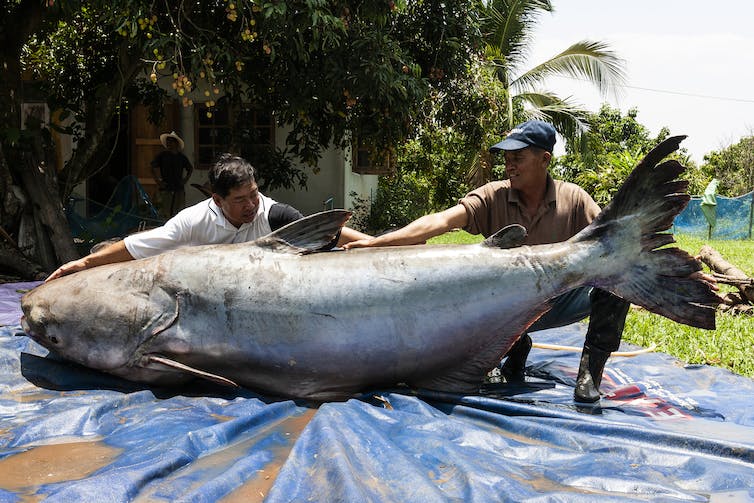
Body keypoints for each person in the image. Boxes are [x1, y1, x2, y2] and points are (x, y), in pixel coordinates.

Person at [344, 120, 632, 403]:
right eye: (507, 159)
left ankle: (590, 373)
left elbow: (610, 240)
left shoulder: (575, 199)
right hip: (502, 308)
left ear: (544, 159)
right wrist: (375, 243)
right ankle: (511, 346)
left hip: (559, 299)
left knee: (616, 278)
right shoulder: (494, 195)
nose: (509, 166)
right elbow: (441, 221)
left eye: (518, 158)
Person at [47, 153, 371, 282]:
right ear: (217, 199)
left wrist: (378, 244)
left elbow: (328, 233)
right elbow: (137, 246)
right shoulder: (191, 223)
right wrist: (85, 264)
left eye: (254, 194)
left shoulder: (273, 214)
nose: (251, 205)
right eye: (241, 199)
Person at [151, 131, 194, 218]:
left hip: (178, 188)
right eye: (167, 141)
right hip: (166, 188)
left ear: (176, 143)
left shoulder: (181, 157)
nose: (168, 143)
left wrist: (184, 180)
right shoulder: (162, 155)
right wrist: (158, 181)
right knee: (165, 213)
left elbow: (190, 169)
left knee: (179, 213)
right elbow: (152, 167)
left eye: (171, 141)